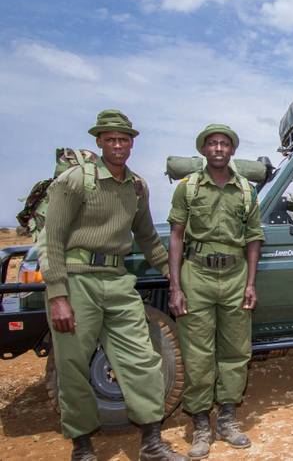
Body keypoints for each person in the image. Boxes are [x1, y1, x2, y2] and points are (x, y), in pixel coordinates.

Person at [41, 109, 186, 460]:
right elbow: (52, 239)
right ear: (99, 142)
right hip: (76, 280)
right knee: (73, 365)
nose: (118, 145)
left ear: (132, 143)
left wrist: (174, 277)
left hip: (117, 281)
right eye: (110, 139)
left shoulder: (137, 187)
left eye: (123, 139)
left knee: (144, 360)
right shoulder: (76, 180)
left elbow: (148, 238)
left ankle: (152, 443)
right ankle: (82, 447)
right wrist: (58, 295)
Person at [167, 124, 264, 458]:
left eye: (224, 143)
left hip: (236, 275)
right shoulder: (188, 188)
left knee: (236, 351)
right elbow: (177, 235)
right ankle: (200, 425)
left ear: (232, 151)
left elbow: (254, 238)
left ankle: (227, 418)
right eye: (213, 143)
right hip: (197, 275)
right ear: (204, 150)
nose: (219, 148)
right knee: (197, 354)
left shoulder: (247, 191)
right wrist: (175, 285)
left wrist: (251, 283)